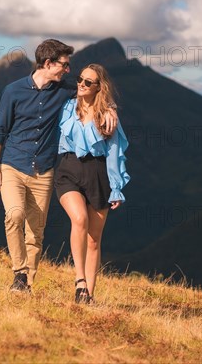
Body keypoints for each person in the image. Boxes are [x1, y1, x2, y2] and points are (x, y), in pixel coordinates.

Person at [0, 40, 117, 293]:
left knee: (36, 232)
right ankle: (19, 272)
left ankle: (26, 283)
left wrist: (110, 108)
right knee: (14, 215)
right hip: (12, 165)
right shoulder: (13, 91)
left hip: (44, 171)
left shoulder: (65, 90)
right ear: (48, 63)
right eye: (64, 65)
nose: (68, 71)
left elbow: (93, 92)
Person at [55, 63, 130, 303]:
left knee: (94, 239)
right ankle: (79, 281)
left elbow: (115, 151)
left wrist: (116, 187)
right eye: (80, 79)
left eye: (88, 82)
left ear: (99, 87)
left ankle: (88, 296)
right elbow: (53, 84)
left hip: (98, 174)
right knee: (80, 220)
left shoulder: (106, 116)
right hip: (68, 169)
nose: (81, 84)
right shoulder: (67, 107)